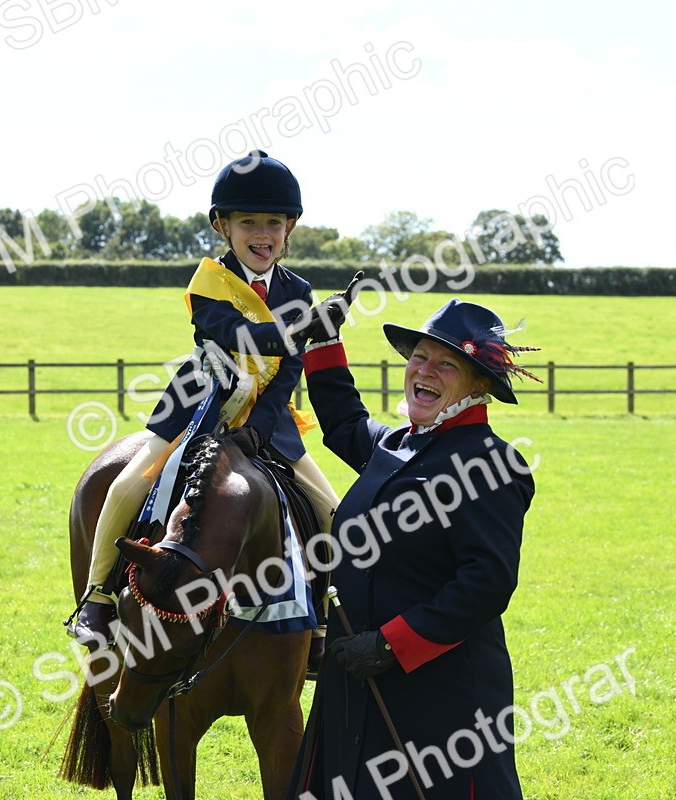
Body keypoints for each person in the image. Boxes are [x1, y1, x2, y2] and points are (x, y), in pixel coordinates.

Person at [68, 151, 342, 667]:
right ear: (223, 226)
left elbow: (287, 372)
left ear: (291, 228)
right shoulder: (209, 281)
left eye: (274, 223)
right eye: (248, 223)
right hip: (198, 401)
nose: (262, 234)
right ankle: (98, 600)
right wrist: (298, 329)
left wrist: (259, 433)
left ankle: (321, 618)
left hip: (269, 418)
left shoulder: (298, 291)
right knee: (127, 482)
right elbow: (235, 334)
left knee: (330, 511)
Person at [288, 297, 541, 799]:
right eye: (420, 357)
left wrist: (390, 644)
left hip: (438, 693)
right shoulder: (398, 444)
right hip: (357, 679)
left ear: (480, 386)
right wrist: (324, 343)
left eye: (447, 363)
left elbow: (485, 583)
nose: (425, 371)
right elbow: (344, 425)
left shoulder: (490, 464)